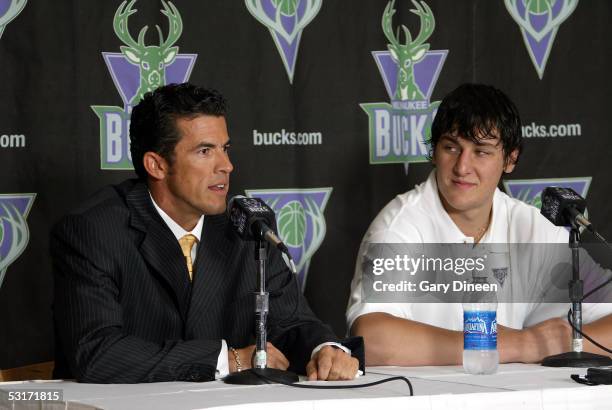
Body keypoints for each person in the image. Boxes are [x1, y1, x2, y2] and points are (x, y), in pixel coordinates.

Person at [52, 83, 362, 383]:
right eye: (204, 151)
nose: (226, 165)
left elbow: (291, 322)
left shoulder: (246, 225)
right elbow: (96, 352)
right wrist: (224, 359)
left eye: (225, 149)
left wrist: (325, 348)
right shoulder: (92, 230)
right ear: (157, 165)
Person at [346, 83, 612, 366]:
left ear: (511, 159)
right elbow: (371, 340)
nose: (462, 167)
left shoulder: (531, 228)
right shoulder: (400, 226)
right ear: (434, 150)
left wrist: (561, 341)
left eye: (481, 151)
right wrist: (520, 345)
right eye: (451, 147)